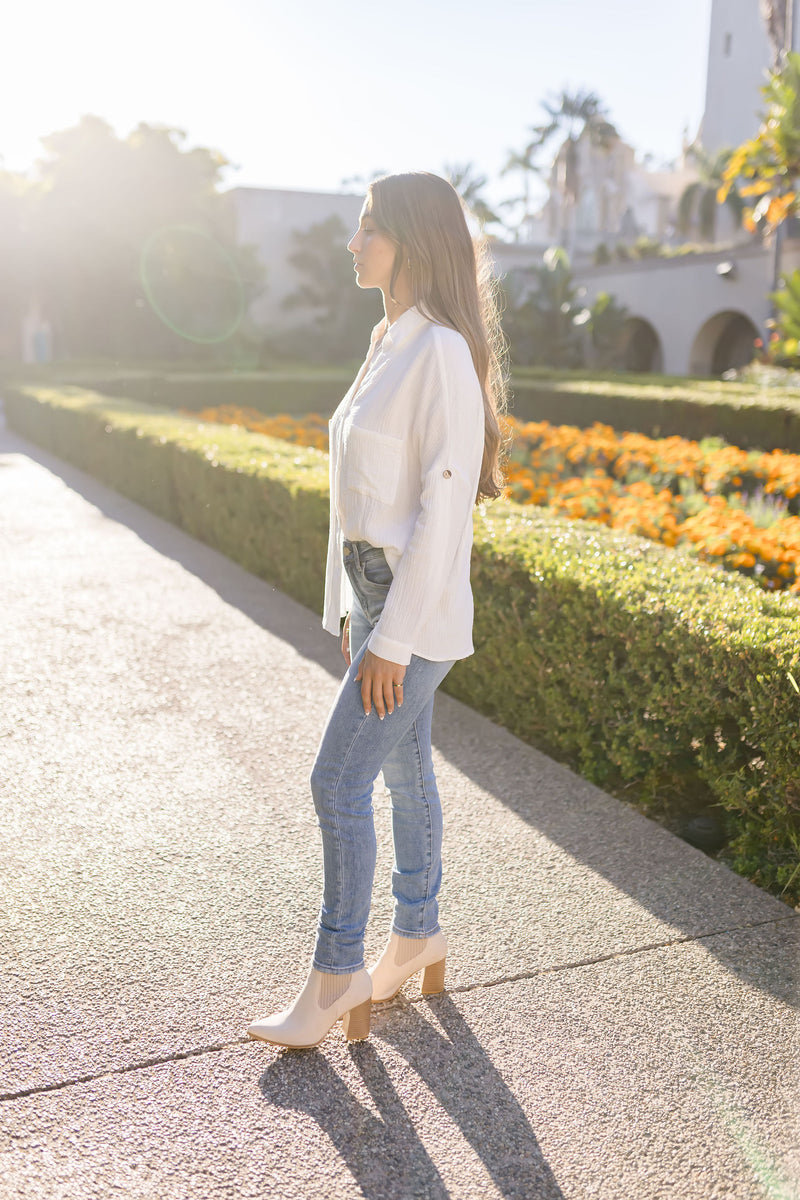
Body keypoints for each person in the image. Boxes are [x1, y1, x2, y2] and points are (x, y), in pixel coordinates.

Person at [247, 171, 506, 1049]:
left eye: (369, 229)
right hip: (373, 594)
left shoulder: (440, 352)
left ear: (412, 242)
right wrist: (348, 610)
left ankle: (337, 975)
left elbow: (444, 510)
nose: (353, 244)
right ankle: (418, 934)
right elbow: (352, 495)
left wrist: (392, 638)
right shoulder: (386, 339)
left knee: (337, 781)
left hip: (413, 606)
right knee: (403, 770)